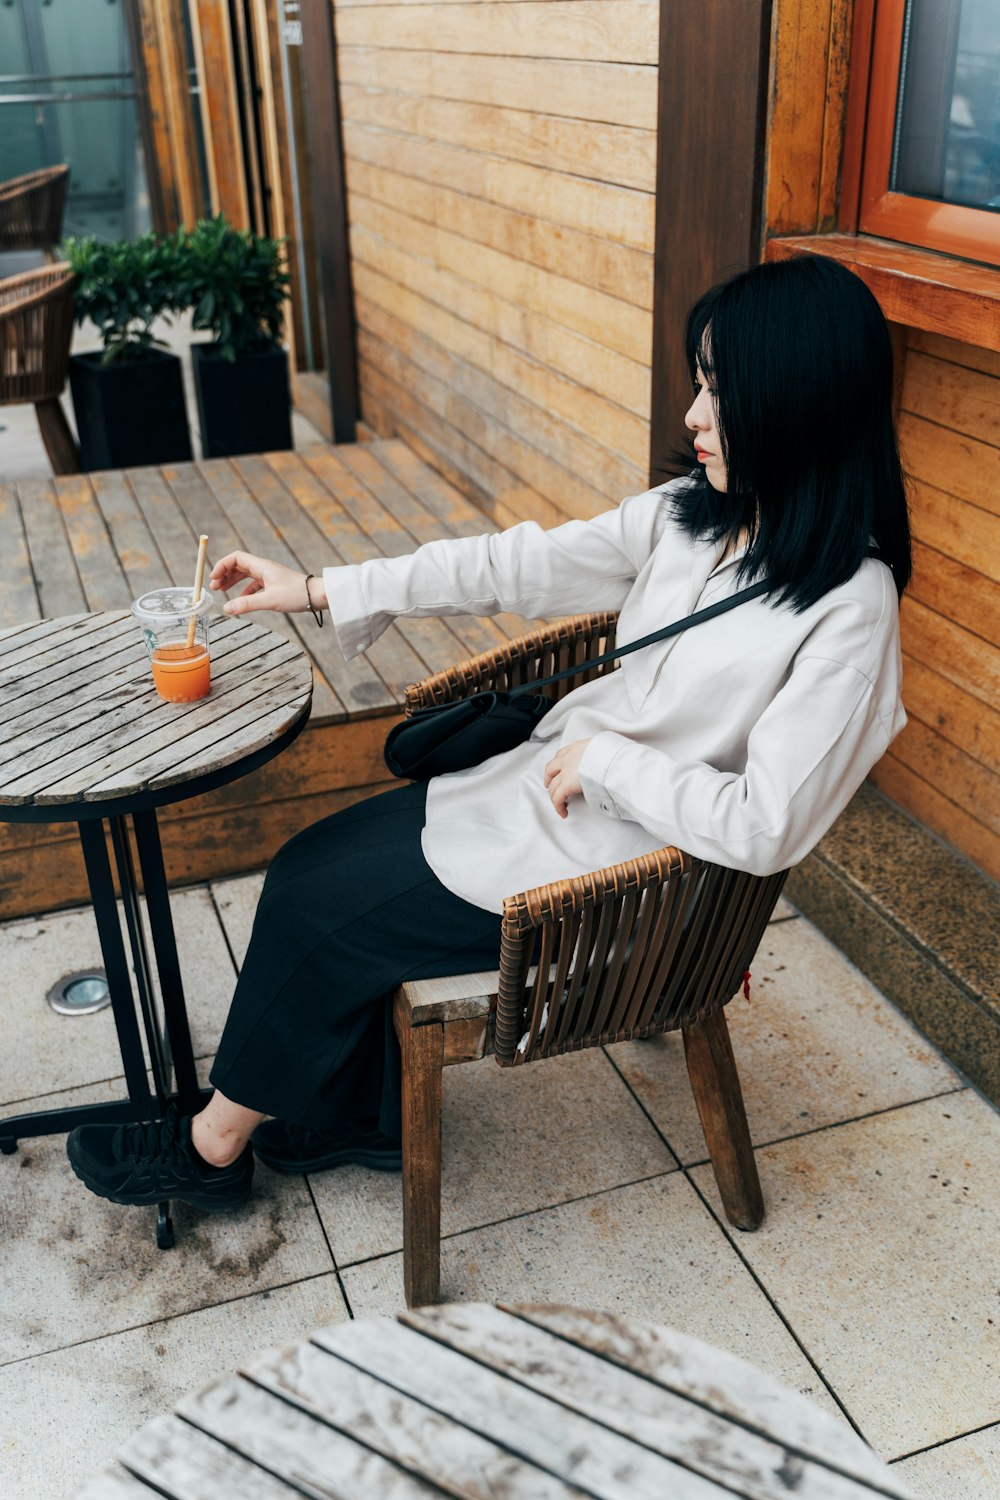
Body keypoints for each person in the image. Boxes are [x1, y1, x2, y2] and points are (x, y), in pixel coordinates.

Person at [65, 254, 911, 1215]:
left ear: (803, 402)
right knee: (304, 866)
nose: (693, 414)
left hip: (623, 880)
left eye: (723, 389)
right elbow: (520, 563)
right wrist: (317, 588)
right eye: (700, 381)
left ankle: (212, 1150)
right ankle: (360, 1115)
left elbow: (770, 824)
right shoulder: (696, 518)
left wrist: (609, 762)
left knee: (320, 917)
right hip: (546, 800)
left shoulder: (852, 609)